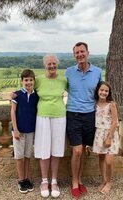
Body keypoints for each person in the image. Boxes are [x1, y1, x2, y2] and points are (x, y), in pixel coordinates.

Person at [65, 42, 102, 199]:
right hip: (73, 114)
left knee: (84, 150)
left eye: (82, 51)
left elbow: (101, 92)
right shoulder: (68, 72)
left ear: (88, 53)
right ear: (74, 55)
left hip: (90, 115)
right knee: (77, 150)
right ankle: (74, 182)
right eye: (77, 52)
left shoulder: (98, 72)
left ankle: (80, 179)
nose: (80, 54)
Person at [34, 54, 67, 198]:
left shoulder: (64, 80)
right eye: (49, 64)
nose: (52, 66)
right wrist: (13, 95)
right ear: (44, 65)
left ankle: (54, 181)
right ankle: (44, 181)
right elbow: (26, 90)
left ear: (57, 65)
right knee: (43, 150)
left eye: (54, 63)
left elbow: (77, 93)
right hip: (43, 117)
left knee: (56, 150)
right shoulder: (39, 80)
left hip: (60, 117)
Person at [10, 69, 39, 194]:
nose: (28, 82)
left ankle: (27, 178)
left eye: (30, 80)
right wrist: (15, 129)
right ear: (22, 81)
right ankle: (21, 180)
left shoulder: (36, 95)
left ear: (34, 81)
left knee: (27, 156)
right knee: (19, 157)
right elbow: (13, 112)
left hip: (30, 131)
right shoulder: (17, 95)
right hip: (19, 131)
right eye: (26, 80)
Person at [93, 81, 119, 194]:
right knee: (101, 158)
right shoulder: (95, 103)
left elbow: (114, 122)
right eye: (102, 90)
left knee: (109, 161)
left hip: (110, 134)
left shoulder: (111, 104)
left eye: (106, 91)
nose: (103, 92)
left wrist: (109, 138)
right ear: (98, 91)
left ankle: (109, 182)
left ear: (109, 93)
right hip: (99, 134)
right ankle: (104, 180)